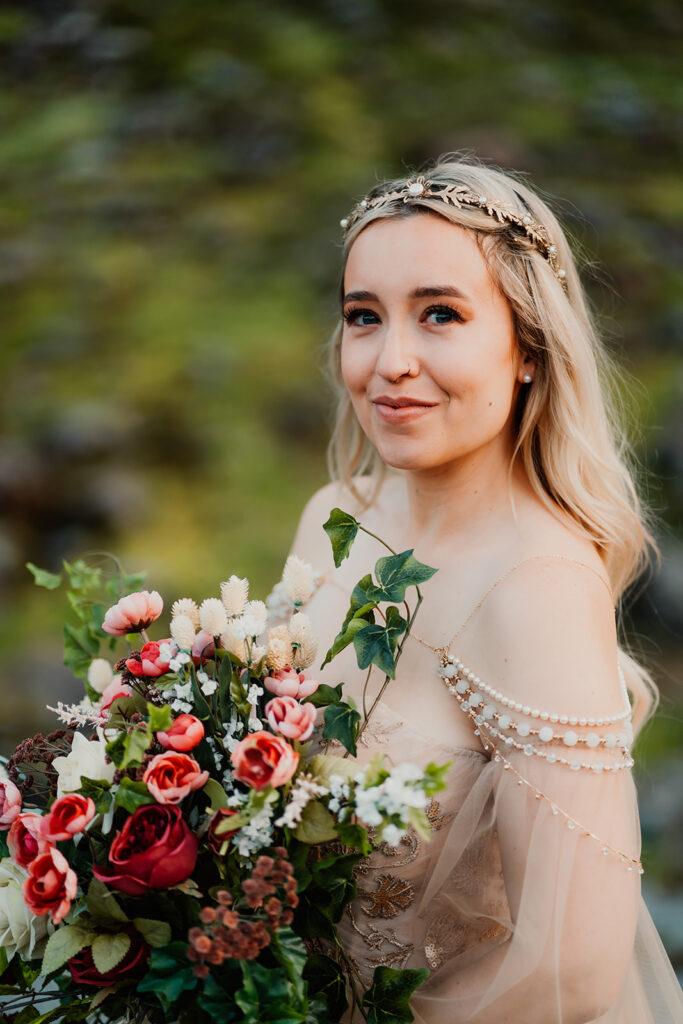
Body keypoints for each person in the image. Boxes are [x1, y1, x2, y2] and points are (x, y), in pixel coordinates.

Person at [285, 153, 683, 1023]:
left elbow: (569, 972)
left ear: (528, 349)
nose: (390, 361)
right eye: (363, 316)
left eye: (440, 315)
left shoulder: (536, 586)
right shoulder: (332, 518)